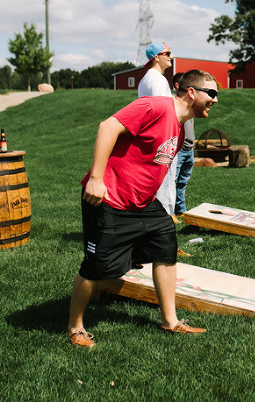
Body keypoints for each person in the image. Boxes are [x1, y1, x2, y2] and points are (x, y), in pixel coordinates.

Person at [67, 70, 219, 347]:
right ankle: (75, 327)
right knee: (96, 267)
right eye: (212, 93)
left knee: (166, 246)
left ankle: (170, 321)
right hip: (108, 198)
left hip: (143, 203)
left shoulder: (180, 125)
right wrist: (96, 179)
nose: (216, 100)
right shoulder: (155, 106)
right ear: (192, 92)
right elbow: (107, 127)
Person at [138, 42, 177, 219]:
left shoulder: (148, 78)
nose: (170, 56)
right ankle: (164, 222)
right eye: (166, 53)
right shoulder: (157, 80)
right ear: (156, 57)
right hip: (162, 137)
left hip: (154, 136)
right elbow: (161, 111)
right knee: (165, 182)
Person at [173, 72, 195, 218]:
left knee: (183, 181)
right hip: (179, 150)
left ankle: (180, 209)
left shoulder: (190, 105)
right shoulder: (174, 104)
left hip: (189, 149)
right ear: (177, 85)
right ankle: (168, 212)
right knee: (172, 181)